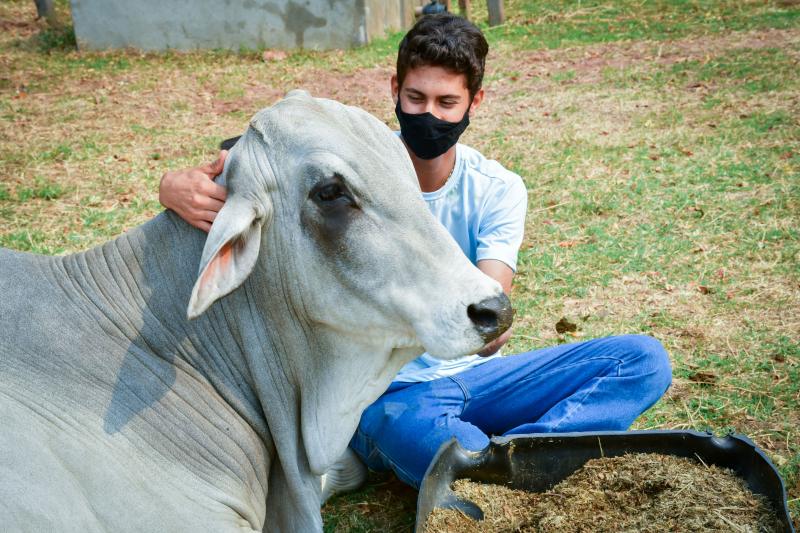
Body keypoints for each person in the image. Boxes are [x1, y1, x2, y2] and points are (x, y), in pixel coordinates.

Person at [160, 13, 672, 502]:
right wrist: (172, 186)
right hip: (387, 392)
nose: (430, 114)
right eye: (416, 97)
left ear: (475, 101)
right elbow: (252, 160)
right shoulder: (340, 176)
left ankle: (507, 454)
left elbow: (489, 330)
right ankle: (502, 455)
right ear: (394, 91)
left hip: (475, 375)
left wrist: (482, 324)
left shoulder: (498, 190)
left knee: (642, 360)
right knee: (439, 441)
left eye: (447, 101)